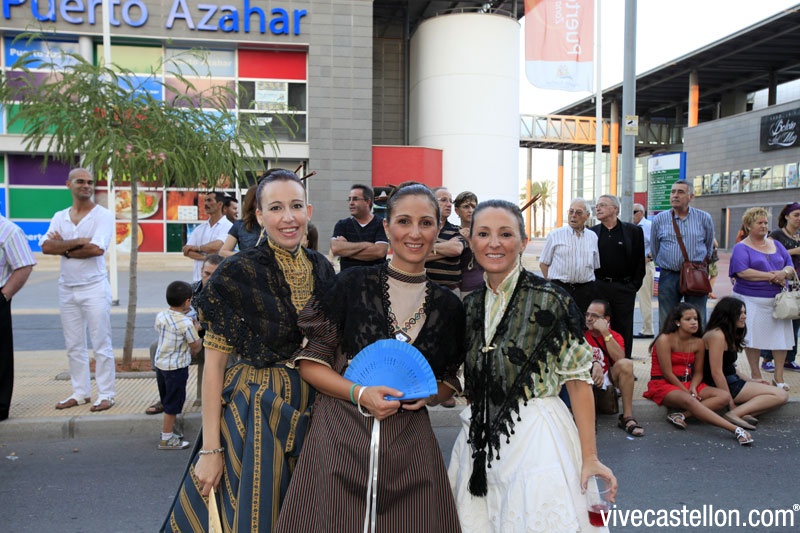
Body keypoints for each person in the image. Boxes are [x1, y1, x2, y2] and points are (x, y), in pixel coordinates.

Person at [275, 183, 465, 532]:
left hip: (409, 446)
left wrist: (428, 394)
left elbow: (448, 381)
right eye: (404, 221)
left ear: (438, 229)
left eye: (425, 223)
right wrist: (360, 393)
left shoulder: (449, 306)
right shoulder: (351, 284)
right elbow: (310, 363)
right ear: (387, 227)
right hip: (339, 437)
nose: (415, 233)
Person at [162, 169, 336, 532]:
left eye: (296, 206)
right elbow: (214, 368)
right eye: (276, 207)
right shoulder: (236, 272)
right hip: (255, 411)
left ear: (308, 211)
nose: (288, 217)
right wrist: (211, 451)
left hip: (315, 408)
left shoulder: (322, 268)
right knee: (257, 514)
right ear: (259, 215)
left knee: (308, 516)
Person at [448, 199, 616, 532]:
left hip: (539, 440)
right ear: (471, 241)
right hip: (478, 441)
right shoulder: (470, 305)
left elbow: (578, 382)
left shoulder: (551, 299)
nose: (494, 243)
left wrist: (590, 457)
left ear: (524, 242)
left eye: (505, 234)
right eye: (483, 233)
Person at [40, 168, 116, 412]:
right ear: (68, 184)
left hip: (94, 286)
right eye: (80, 181)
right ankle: (80, 392)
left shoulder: (103, 215)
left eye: (90, 182)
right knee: (74, 345)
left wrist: (62, 247)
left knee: (101, 342)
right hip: (67, 287)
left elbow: (96, 249)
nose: (86, 186)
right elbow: (46, 246)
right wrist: (77, 242)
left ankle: (106, 393)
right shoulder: (60, 216)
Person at [642, 303, 753, 445]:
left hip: (688, 382)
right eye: (688, 319)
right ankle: (736, 429)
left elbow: (699, 373)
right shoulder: (664, 339)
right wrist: (686, 392)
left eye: (695, 319)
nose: (694, 322)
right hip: (664, 383)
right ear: (677, 322)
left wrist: (693, 387)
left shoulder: (698, 342)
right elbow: (667, 373)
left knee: (724, 396)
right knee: (690, 400)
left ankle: (681, 415)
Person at [146, 254, 223, 416]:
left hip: (215, 340)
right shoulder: (190, 290)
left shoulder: (228, 294)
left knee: (219, 351)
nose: (210, 278)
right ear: (201, 271)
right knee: (155, 347)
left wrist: (201, 328)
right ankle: (166, 397)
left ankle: (213, 398)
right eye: (207, 273)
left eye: (215, 274)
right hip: (187, 338)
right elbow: (173, 315)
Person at [729, 207, 795, 391]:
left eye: (766, 222)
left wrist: (783, 273)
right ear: (749, 225)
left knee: (781, 339)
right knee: (752, 337)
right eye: (759, 222)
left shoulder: (776, 244)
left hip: (778, 302)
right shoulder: (741, 247)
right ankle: (756, 375)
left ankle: (778, 377)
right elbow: (742, 271)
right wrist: (771, 276)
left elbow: (790, 266)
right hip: (750, 299)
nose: (764, 226)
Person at [703, 296, 787, 429]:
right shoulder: (717, 335)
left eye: (744, 312)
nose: (744, 316)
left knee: (776, 394)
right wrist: (729, 402)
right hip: (720, 384)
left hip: (731, 381)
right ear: (728, 314)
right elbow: (716, 372)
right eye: (740, 313)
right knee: (780, 395)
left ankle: (741, 414)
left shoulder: (727, 333)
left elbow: (729, 367)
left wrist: (751, 381)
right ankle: (734, 413)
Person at [651, 179, 715, 328]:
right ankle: (668, 344)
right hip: (669, 275)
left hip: (696, 274)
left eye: (680, 192)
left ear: (691, 196)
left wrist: (698, 266)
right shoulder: (660, 219)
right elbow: (655, 249)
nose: (675, 195)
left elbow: (709, 246)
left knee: (697, 318)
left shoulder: (704, 218)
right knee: (667, 319)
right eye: (673, 192)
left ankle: (696, 344)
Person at [590, 194, 645, 358]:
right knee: (597, 327)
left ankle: (623, 364)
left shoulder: (633, 231)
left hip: (624, 288)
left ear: (615, 209)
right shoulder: (591, 233)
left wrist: (632, 287)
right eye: (597, 206)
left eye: (602, 205)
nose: (598, 208)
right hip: (599, 287)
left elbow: (639, 262)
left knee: (623, 329)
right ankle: (600, 364)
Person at [154, 281, 202, 450]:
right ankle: (167, 438)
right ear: (187, 302)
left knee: (167, 399)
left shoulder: (161, 315)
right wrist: (197, 330)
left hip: (161, 365)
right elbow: (195, 346)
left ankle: (169, 432)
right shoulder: (186, 323)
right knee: (173, 404)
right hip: (177, 368)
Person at [585, 300, 644, 437]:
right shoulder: (581, 334)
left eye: (594, 316)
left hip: (608, 380)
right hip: (587, 378)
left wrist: (605, 332)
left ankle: (627, 417)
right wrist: (595, 363)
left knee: (626, 364)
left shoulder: (614, 336)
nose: (589, 319)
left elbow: (619, 358)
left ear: (606, 319)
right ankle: (587, 419)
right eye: (587, 314)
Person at [0, 214, 36, 421]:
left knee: (0, 356)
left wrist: (4, 296)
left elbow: (24, 265)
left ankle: (0, 406)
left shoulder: (9, 231)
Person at [539, 198, 599, 314]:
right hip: (560, 288)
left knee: (582, 322)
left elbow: (595, 266)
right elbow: (543, 264)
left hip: (585, 291)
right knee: (560, 321)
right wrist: (552, 286)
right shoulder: (555, 235)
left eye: (579, 212)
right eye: (571, 211)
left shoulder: (593, 237)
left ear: (587, 216)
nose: (573, 215)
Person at [761, 202, 800, 373]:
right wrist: (795, 251)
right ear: (787, 216)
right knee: (777, 319)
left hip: (797, 284)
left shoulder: (798, 236)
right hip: (781, 283)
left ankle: (789, 359)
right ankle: (767, 358)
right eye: (796, 215)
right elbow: (767, 253)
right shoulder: (776, 235)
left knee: (795, 321)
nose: (799, 219)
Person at [330, 183, 388, 270]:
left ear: (367, 202)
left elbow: (379, 252)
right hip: (347, 277)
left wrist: (346, 249)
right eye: (349, 199)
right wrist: (367, 245)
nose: (351, 203)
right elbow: (335, 248)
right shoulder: (342, 225)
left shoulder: (381, 224)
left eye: (355, 199)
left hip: (374, 277)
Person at [182, 191, 232, 282]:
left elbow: (217, 246)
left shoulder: (228, 226)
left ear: (220, 204)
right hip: (198, 281)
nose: (206, 204)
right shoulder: (200, 228)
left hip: (218, 281)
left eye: (209, 200)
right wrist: (207, 258)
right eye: (205, 201)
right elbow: (186, 251)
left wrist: (197, 248)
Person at [425, 187, 467, 293]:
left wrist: (427, 247)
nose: (449, 204)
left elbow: (456, 249)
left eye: (450, 201)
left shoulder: (457, 230)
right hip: (423, 289)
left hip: (451, 291)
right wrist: (446, 249)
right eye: (444, 200)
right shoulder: (422, 229)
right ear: (431, 203)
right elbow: (415, 256)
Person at [454, 190, 484, 297]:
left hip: (482, 286)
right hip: (458, 290)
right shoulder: (452, 232)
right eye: (466, 207)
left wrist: (469, 240)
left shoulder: (484, 232)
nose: (470, 210)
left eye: (473, 207)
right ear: (457, 211)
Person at [219, 185, 262, 257]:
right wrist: (245, 256)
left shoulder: (274, 223)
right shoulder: (240, 225)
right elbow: (223, 252)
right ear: (251, 202)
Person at [633, 203, 655, 338]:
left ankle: (648, 329)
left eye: (634, 212)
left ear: (641, 213)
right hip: (636, 266)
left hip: (645, 266)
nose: (632, 215)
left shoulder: (648, 226)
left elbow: (655, 244)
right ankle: (646, 328)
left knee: (644, 299)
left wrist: (648, 258)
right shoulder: (634, 227)